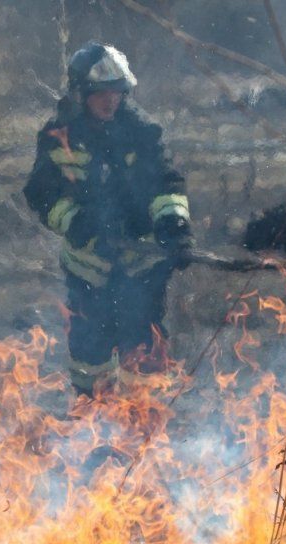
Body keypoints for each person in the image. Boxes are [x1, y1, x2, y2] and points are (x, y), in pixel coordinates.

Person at [24, 42, 194, 396]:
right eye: (100, 92)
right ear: (81, 93)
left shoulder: (142, 132)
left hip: (141, 267)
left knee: (144, 352)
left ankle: (145, 428)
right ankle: (92, 424)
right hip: (87, 270)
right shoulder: (59, 136)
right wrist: (75, 222)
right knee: (90, 357)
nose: (110, 100)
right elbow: (41, 193)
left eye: (116, 92)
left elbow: (165, 183)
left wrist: (173, 225)